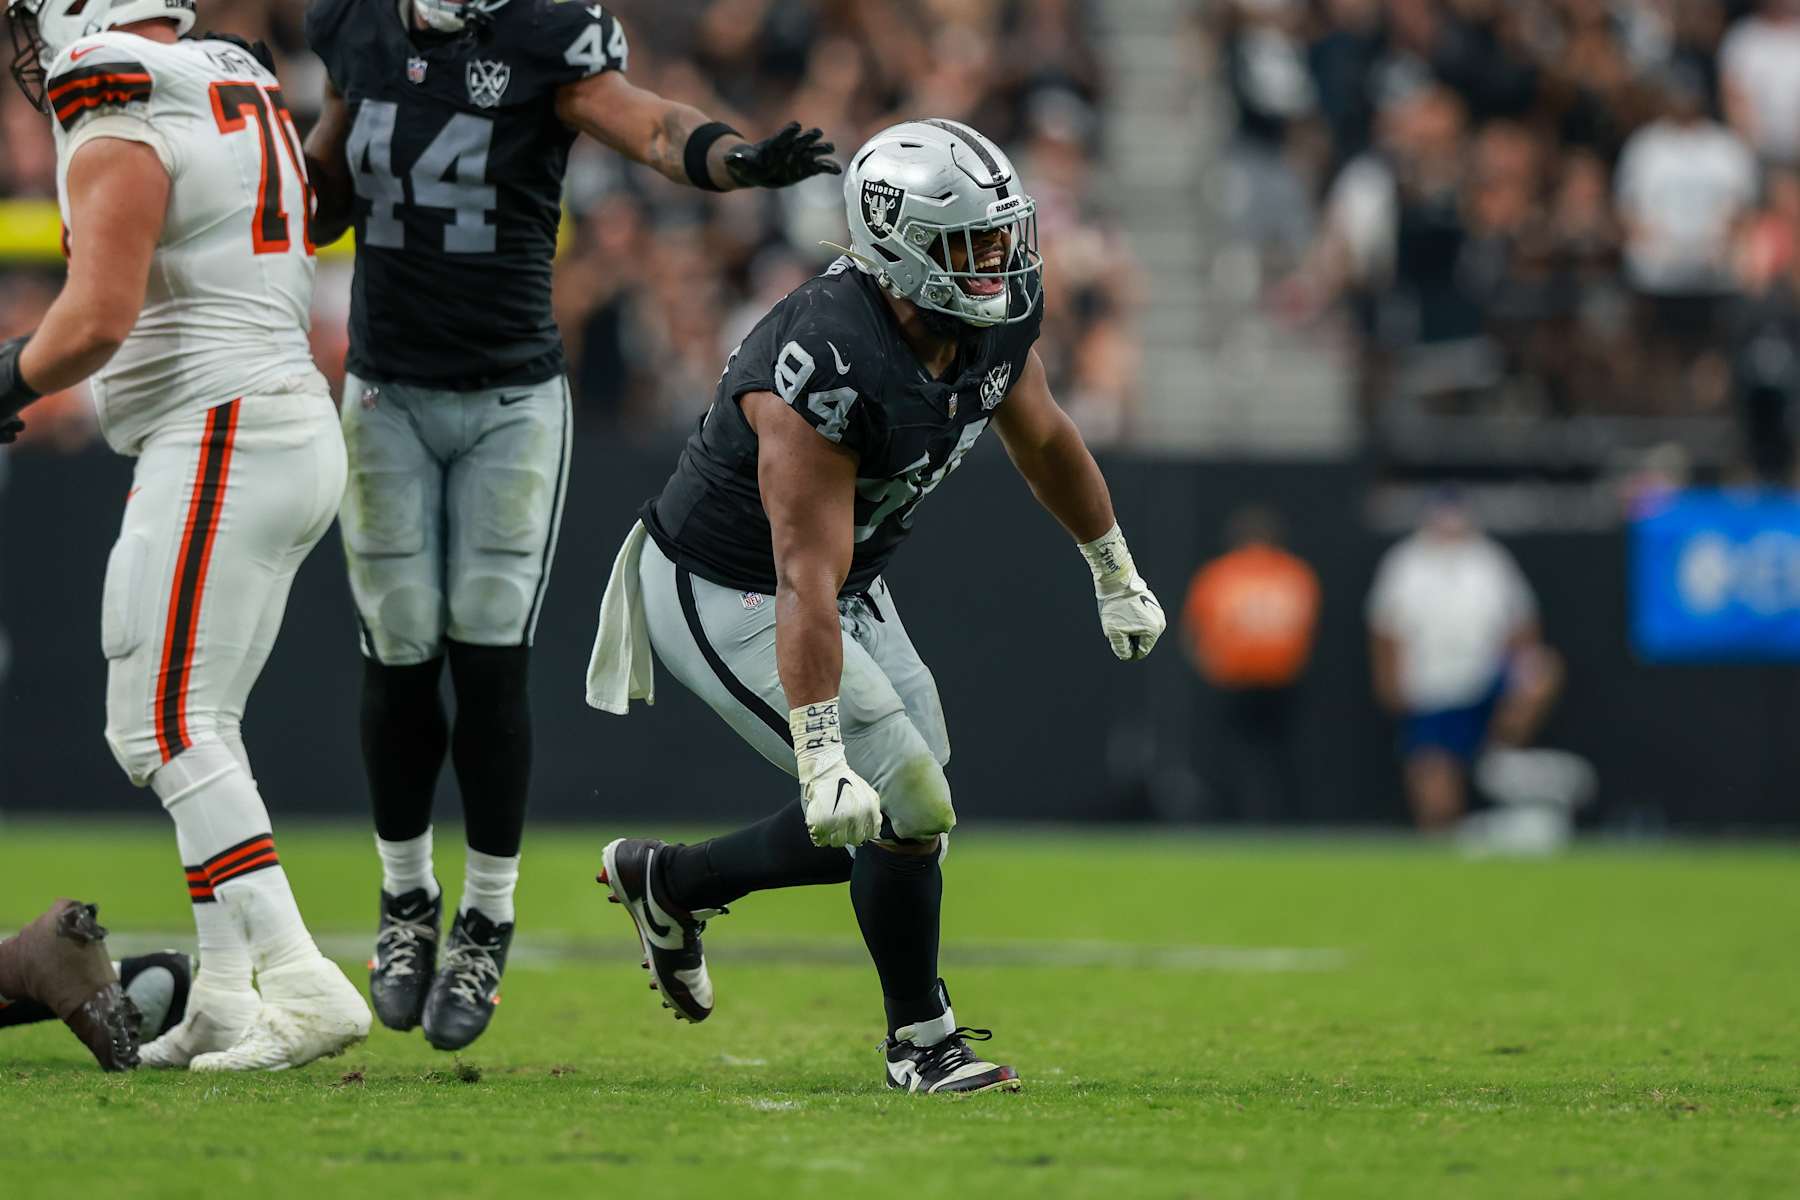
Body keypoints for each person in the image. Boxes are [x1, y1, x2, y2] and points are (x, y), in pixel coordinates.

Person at [585, 120, 1167, 1094]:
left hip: (838, 583)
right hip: (727, 585)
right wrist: (819, 753)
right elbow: (800, 570)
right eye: (970, 246)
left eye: (1002, 238)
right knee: (904, 798)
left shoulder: (988, 318)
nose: (999, 265)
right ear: (898, 247)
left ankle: (672, 883)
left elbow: (1047, 440)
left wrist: (1113, 566)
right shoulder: (824, 359)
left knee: (908, 814)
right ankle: (922, 1041)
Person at [301, 0, 840, 1052]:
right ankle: (406, 901)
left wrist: (733, 160)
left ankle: (486, 916)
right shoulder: (356, 24)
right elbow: (326, 171)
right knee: (400, 645)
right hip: (385, 391)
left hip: (507, 397)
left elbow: (642, 123)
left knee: (489, 649)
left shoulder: (547, 32)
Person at [0, 0, 370, 1070]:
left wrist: (9, 376)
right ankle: (222, 995)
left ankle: (301, 981)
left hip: (221, 427)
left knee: (158, 729)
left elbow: (98, 318)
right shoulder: (227, 70)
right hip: (267, 419)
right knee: (199, 727)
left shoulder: (115, 86)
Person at [1366, 496, 1563, 831]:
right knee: (1438, 794)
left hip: (1484, 676)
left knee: (1543, 670)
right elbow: (1384, 629)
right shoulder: (1405, 562)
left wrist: (1516, 676)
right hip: (1429, 684)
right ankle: (1441, 845)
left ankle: (1501, 748)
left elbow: (1522, 622)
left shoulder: (1489, 559)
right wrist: (1389, 682)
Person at [1180, 506, 1319, 821]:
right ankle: (1279, 818)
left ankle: (1238, 817)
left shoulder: (1220, 573)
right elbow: (1303, 626)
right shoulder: (1294, 572)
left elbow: (1195, 632)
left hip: (1238, 678)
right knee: (1277, 755)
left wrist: (1211, 665)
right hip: (1278, 677)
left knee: (1237, 755)